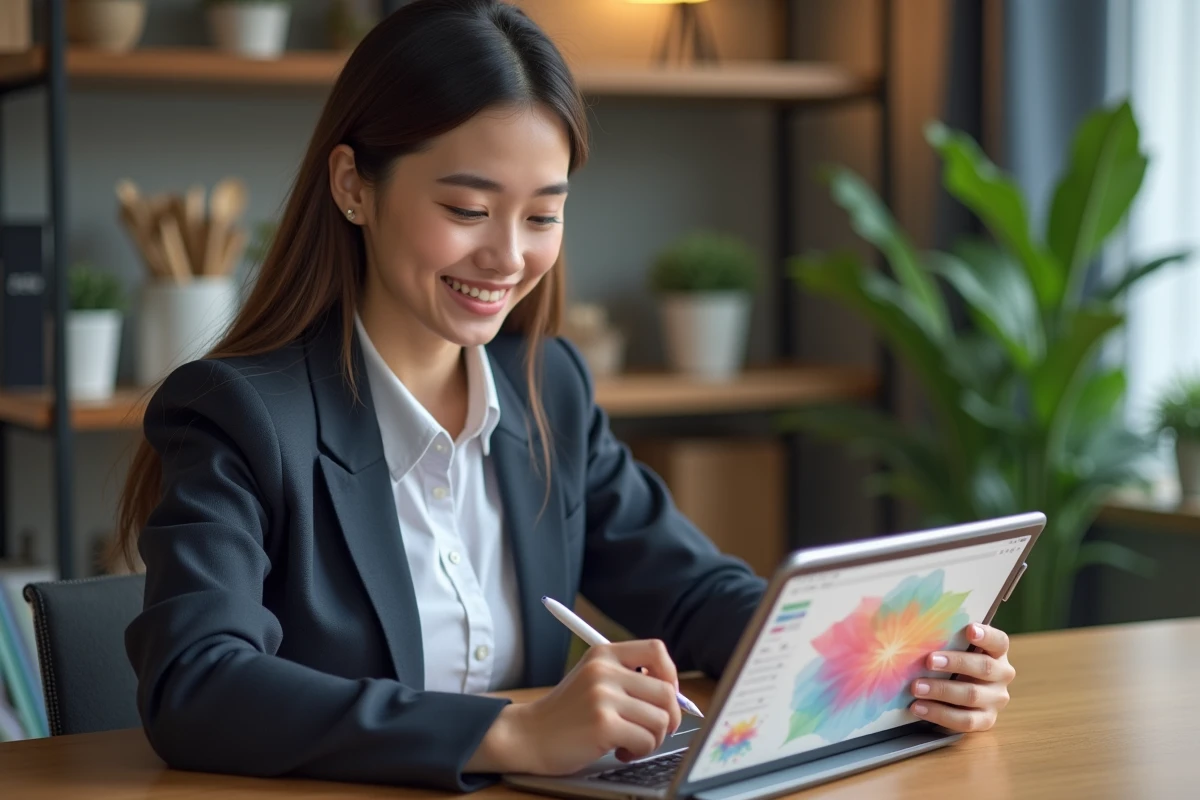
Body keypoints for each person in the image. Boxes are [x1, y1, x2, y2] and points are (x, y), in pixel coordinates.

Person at [114, 0, 1017, 791]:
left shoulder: (548, 388)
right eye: (468, 209)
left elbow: (698, 594)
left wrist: (894, 666)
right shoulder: (238, 415)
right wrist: (512, 732)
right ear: (354, 186)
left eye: (542, 214)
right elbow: (197, 684)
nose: (509, 256)